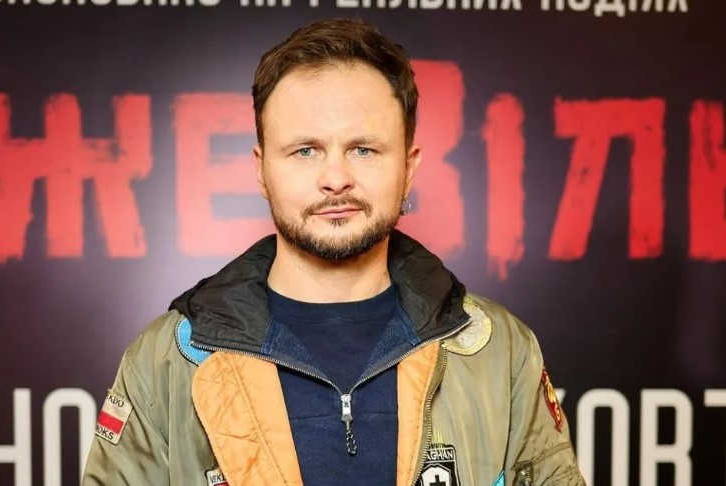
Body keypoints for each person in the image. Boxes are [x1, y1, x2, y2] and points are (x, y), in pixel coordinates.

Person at [83, 17, 585, 486]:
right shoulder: (169, 359)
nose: (336, 178)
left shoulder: (499, 351)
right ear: (261, 169)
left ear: (408, 167)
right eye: (305, 150)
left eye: (363, 149)